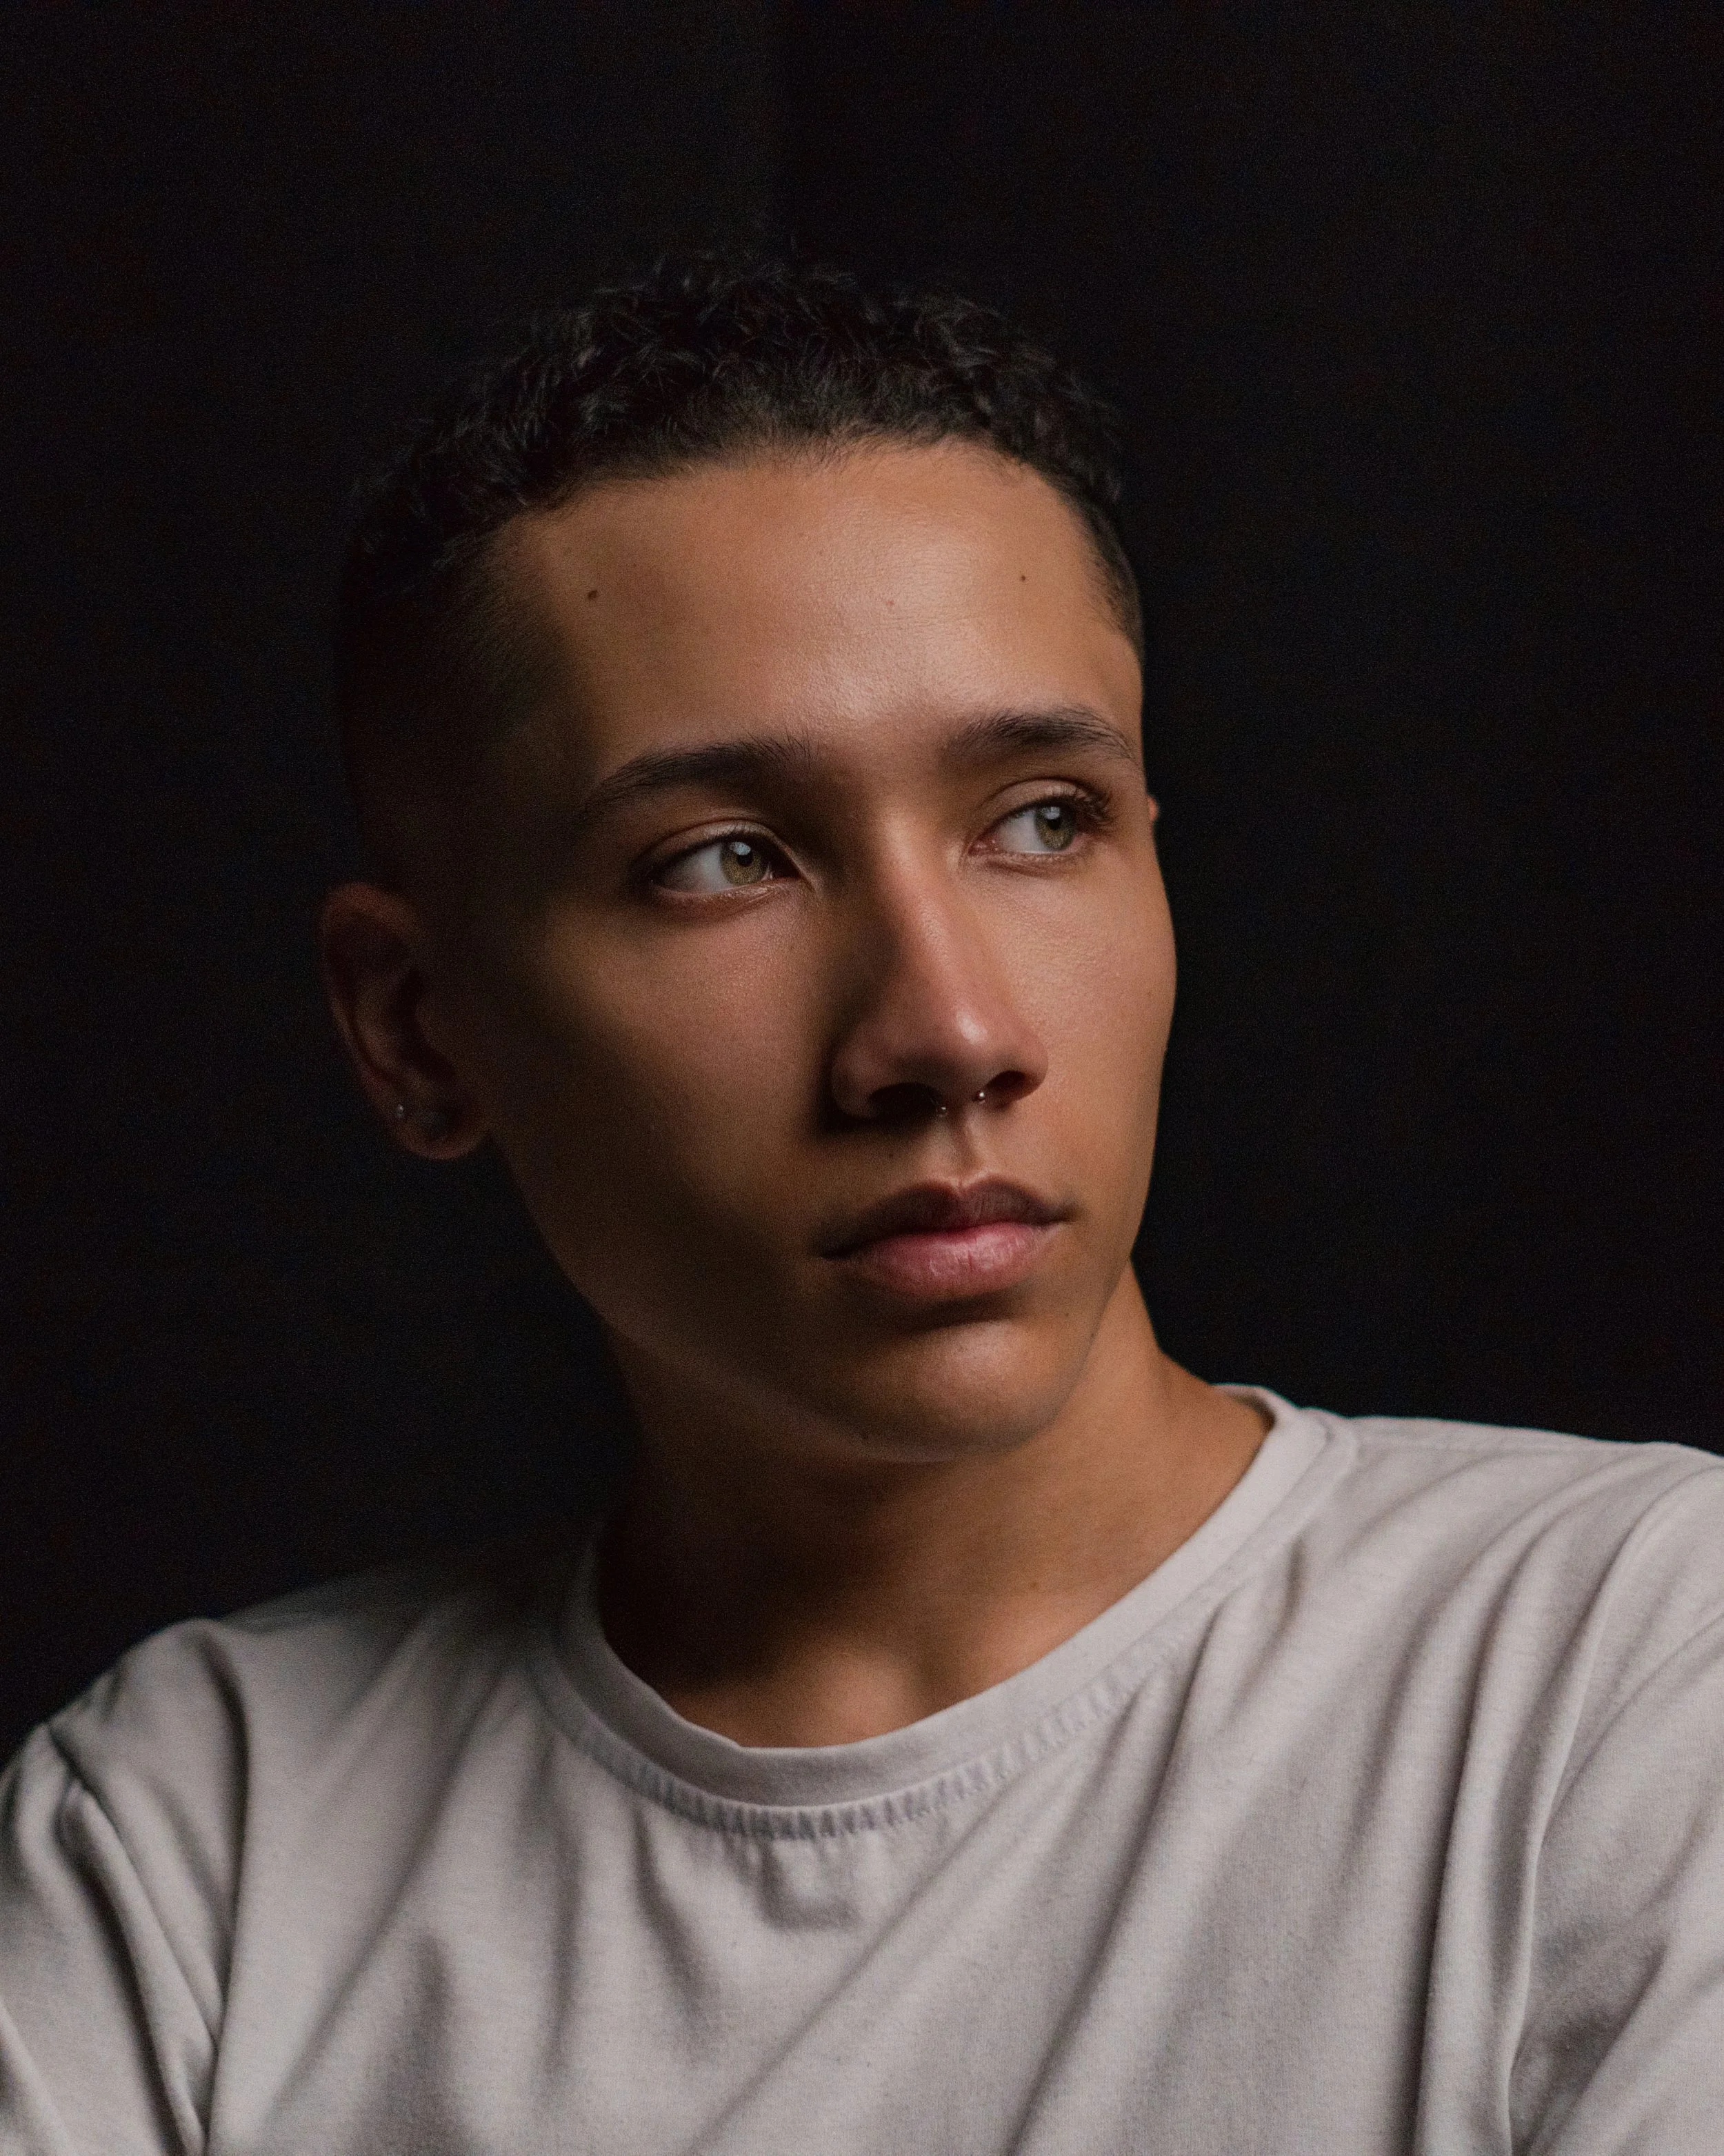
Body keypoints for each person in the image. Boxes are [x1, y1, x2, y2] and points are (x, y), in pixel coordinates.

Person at [2, 258, 1721, 2156]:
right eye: (723, 860)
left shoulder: (1620, 1668)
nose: (946, 1029)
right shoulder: (199, 1843)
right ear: (417, 1029)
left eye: (1040, 816)